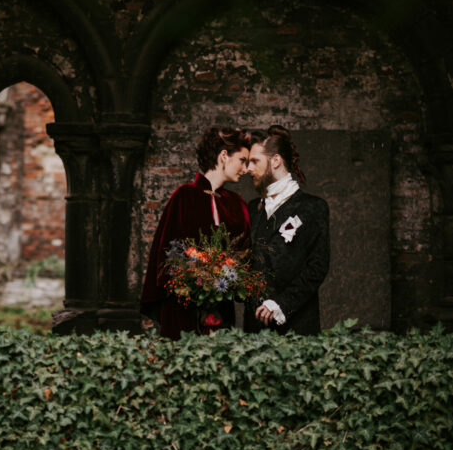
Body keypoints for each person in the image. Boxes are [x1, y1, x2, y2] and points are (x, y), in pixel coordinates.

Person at [140, 127, 252, 340]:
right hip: (183, 311)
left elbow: (244, 258)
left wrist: (225, 278)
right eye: (242, 160)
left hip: (222, 312)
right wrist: (194, 281)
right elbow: (164, 258)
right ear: (223, 156)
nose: (245, 169)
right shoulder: (184, 197)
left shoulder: (238, 205)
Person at [244, 125, 330, 336]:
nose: (247, 169)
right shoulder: (251, 209)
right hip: (253, 334)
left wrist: (281, 304)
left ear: (275, 160)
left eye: (254, 161)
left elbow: (317, 268)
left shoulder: (312, 208)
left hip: (297, 330)